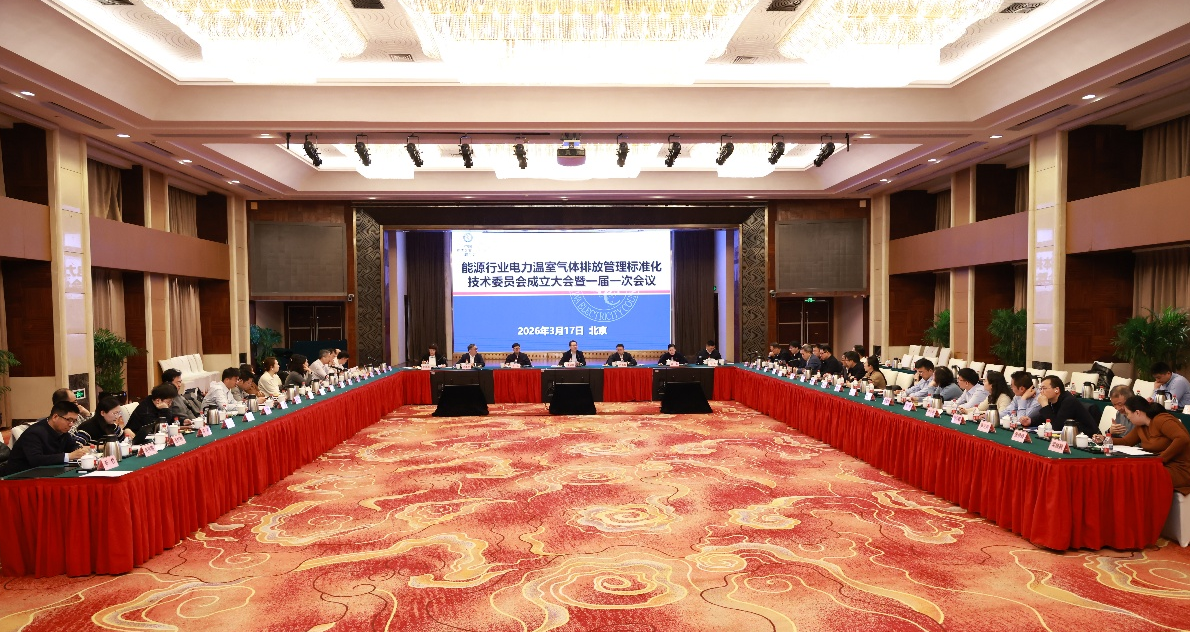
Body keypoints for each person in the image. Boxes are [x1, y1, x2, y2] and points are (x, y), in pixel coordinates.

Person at [1105, 396, 1190, 491]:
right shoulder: (1141, 426)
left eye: (1128, 414)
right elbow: (1126, 441)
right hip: (1159, 466)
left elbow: (1182, 438)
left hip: (1179, 469)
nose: (1127, 417)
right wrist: (1105, 439)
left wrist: (1161, 459)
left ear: (1137, 412)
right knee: (1129, 472)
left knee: (1141, 476)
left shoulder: (1161, 419)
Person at [1, 401, 90, 476]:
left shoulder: (62, 431)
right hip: (19, 477)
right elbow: (36, 460)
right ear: (55, 417)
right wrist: (69, 456)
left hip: (47, 473)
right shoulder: (34, 433)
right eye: (69, 420)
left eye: (74, 421)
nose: (71, 424)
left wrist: (81, 450)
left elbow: (71, 446)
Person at [1029, 375, 1099, 436]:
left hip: (1086, 437)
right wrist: (1030, 421)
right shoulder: (1052, 400)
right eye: (1040, 389)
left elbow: (1058, 427)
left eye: (1044, 388)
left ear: (1056, 389)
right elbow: (1045, 418)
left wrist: (1044, 405)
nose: (1041, 392)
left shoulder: (1069, 401)